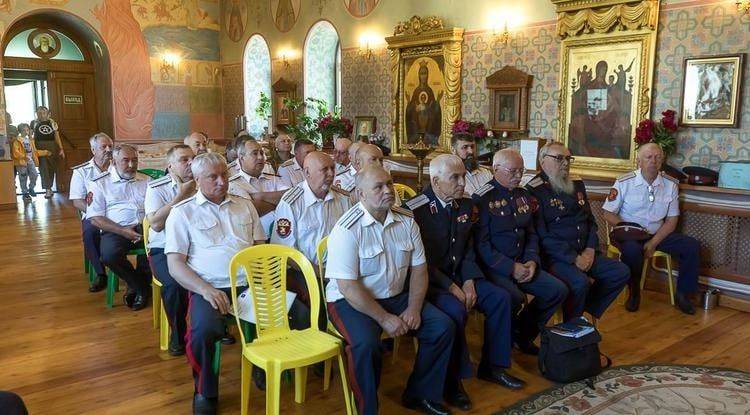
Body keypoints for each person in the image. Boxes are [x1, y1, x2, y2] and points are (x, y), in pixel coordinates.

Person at [165, 153, 307, 415]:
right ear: (197, 180)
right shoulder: (182, 213)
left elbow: (260, 248)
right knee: (203, 332)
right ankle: (205, 391)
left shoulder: (244, 205)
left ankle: (263, 365)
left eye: (225, 175)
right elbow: (175, 265)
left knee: (299, 313)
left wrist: (266, 285)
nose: (222, 182)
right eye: (213, 177)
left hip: (250, 284)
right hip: (210, 287)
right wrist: (206, 290)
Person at [326, 165, 455, 415]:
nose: (388, 191)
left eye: (389, 184)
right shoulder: (346, 229)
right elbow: (348, 287)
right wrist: (384, 319)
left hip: (395, 295)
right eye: (379, 187)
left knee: (442, 326)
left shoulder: (406, 221)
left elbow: (419, 270)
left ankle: (420, 394)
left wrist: (414, 308)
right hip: (351, 301)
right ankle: (368, 410)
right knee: (365, 345)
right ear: (361, 194)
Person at [407, 155, 523, 411]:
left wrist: (469, 279)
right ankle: (453, 382)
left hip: (462, 275)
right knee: (456, 311)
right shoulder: (416, 209)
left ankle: (493, 366)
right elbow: (421, 261)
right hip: (432, 283)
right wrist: (451, 286)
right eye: (455, 178)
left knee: (500, 298)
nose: (463, 182)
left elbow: (468, 246)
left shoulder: (466, 205)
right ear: (436, 181)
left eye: (463, 176)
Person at [473, 149, 568, 355]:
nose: (518, 176)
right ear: (495, 169)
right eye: (513, 171)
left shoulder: (523, 195)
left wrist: (532, 260)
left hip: (524, 264)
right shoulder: (482, 199)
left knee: (557, 290)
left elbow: (531, 233)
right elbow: (481, 245)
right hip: (495, 268)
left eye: (521, 171)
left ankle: (522, 334)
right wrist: (510, 267)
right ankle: (499, 350)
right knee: (514, 297)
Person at [527, 142, 629, 322]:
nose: (565, 163)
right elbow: (543, 236)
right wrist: (574, 259)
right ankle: (571, 330)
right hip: (556, 257)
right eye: (559, 158)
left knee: (620, 272)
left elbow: (590, 221)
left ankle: (583, 312)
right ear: (543, 162)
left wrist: (590, 250)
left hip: (584, 252)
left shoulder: (576, 184)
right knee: (580, 283)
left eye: (568, 158)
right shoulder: (534, 190)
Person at [602, 143, 700, 315]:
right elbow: (608, 214)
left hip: (657, 234)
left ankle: (683, 295)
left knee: (691, 246)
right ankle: (634, 292)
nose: (653, 161)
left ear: (662, 161)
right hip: (630, 234)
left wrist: (653, 243)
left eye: (657, 157)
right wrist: (626, 228)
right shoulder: (624, 182)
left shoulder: (670, 184)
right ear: (639, 161)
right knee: (632, 250)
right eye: (648, 157)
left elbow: (671, 221)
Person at [144, 144, 196, 356]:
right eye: (184, 160)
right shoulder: (157, 187)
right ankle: (179, 331)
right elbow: (155, 224)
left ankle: (215, 324)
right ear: (170, 166)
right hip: (163, 248)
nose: (190, 163)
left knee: (218, 273)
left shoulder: (205, 183)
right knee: (174, 285)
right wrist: (181, 196)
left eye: (193, 158)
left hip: (195, 248)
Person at [88, 144, 151, 310]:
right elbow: (95, 218)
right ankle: (141, 286)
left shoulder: (147, 180)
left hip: (145, 227)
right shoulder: (100, 183)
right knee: (109, 255)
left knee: (158, 247)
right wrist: (123, 231)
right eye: (126, 160)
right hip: (115, 230)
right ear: (114, 161)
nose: (131, 165)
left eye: (134, 160)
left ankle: (138, 286)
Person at [69, 132, 114, 292]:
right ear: (93, 150)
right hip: (93, 214)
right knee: (90, 232)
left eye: (110, 146)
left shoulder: (119, 167)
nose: (108, 149)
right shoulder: (82, 171)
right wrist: (96, 213)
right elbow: (77, 201)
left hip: (117, 214)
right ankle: (101, 273)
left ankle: (141, 272)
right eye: (104, 147)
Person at [228, 139, 289, 233]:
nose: (260, 157)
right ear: (242, 158)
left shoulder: (273, 179)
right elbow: (250, 211)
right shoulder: (234, 184)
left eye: (261, 153)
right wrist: (278, 203)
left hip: (283, 232)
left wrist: (259, 196)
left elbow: (289, 197)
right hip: (255, 238)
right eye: (255, 153)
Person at [31, 106, 65, 199]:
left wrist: (61, 148)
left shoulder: (52, 123)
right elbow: (31, 137)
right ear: (36, 114)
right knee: (43, 168)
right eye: (39, 113)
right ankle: (48, 189)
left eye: (43, 113)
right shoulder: (34, 123)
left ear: (47, 113)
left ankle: (50, 186)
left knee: (51, 167)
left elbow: (56, 136)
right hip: (39, 147)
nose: (41, 115)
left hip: (52, 146)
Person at [11, 123, 40, 201]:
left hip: (30, 161)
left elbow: (34, 150)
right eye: (24, 130)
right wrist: (24, 157)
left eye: (27, 130)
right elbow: (15, 153)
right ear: (20, 131)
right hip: (21, 162)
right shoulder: (17, 140)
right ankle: (25, 193)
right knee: (23, 177)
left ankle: (31, 188)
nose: (26, 132)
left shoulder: (29, 140)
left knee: (35, 174)